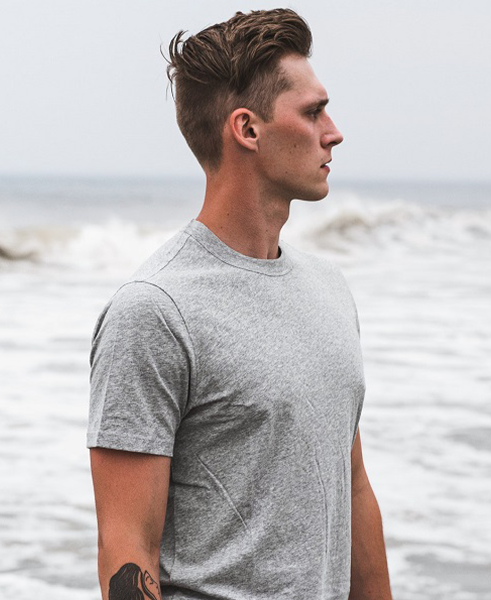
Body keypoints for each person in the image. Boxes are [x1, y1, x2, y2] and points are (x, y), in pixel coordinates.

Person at [87, 8, 392, 600]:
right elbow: (126, 547)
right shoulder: (155, 311)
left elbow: (352, 487)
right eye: (311, 112)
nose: (334, 131)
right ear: (247, 130)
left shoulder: (329, 289)